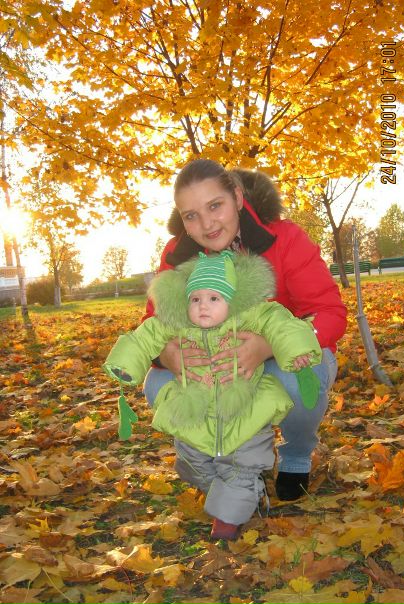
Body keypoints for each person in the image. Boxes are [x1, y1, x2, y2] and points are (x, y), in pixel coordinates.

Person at [143, 159, 347, 501]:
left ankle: (296, 454)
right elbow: (153, 323)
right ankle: (226, 466)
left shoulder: (285, 238)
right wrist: (166, 354)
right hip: (216, 361)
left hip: (283, 354)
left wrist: (269, 345)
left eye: (215, 206)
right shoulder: (177, 254)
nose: (207, 224)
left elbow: (331, 313)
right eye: (191, 215)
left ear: (237, 197)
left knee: (296, 379)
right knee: (157, 384)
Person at [104, 250, 322, 539]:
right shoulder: (177, 323)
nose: (202, 306)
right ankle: (239, 493)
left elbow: (282, 325)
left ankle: (228, 519)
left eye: (214, 298)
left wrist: (297, 349)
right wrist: (125, 364)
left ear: (232, 300)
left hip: (244, 409)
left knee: (243, 466)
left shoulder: (249, 316)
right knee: (191, 464)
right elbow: (143, 337)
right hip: (195, 410)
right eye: (195, 299)